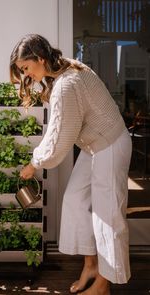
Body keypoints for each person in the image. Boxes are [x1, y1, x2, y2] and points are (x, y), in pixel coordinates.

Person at [10, 34, 132, 295]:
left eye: (26, 68)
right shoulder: (62, 71)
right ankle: (91, 264)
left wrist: (33, 164)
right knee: (75, 200)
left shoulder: (67, 82)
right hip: (93, 146)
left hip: (110, 144)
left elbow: (58, 140)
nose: (26, 75)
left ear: (40, 59)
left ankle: (103, 284)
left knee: (107, 216)